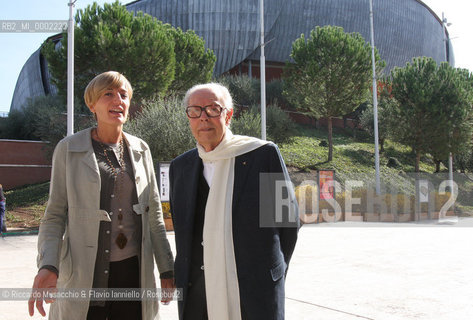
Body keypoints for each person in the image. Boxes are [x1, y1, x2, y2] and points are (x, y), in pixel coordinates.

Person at [28, 71, 175, 320]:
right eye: (108, 94)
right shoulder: (68, 149)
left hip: (133, 275)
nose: (118, 100)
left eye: (123, 95)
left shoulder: (141, 149)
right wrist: (48, 265)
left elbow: (154, 216)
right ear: (92, 104)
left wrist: (166, 269)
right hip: (85, 273)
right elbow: (53, 216)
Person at [169, 83, 299, 320]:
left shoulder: (263, 155)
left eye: (212, 109)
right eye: (195, 111)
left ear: (228, 115)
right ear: (188, 116)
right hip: (197, 294)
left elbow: (287, 220)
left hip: (254, 291)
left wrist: (271, 271)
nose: (203, 118)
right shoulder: (181, 167)